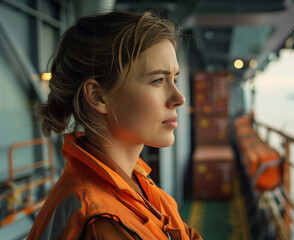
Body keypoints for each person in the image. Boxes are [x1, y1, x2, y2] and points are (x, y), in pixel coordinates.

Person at [28, 10, 202, 240]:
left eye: (175, 79)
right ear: (98, 97)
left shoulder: (133, 182)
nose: (179, 98)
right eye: (158, 80)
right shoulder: (102, 223)